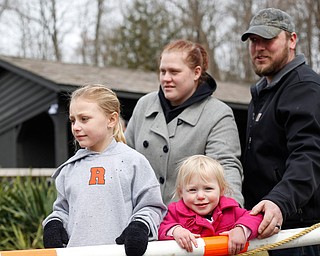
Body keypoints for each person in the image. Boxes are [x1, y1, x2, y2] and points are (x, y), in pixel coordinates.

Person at [42, 84, 167, 256]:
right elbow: (63, 210)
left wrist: (140, 226)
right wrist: (54, 223)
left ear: (111, 120)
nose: (76, 126)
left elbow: (152, 207)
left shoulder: (134, 162)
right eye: (73, 120)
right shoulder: (69, 168)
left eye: (84, 119)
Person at [125, 39, 244, 206]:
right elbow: (123, 159)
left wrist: (231, 213)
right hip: (140, 217)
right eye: (163, 71)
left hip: (188, 225)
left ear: (196, 73)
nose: (166, 78)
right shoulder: (144, 105)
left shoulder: (218, 114)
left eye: (174, 72)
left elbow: (225, 169)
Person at [241, 7, 320, 255]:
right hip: (264, 225)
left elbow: (309, 155)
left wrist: (279, 201)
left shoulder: (304, 87)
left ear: (292, 40)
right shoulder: (264, 90)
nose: (259, 48)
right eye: (254, 41)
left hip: (298, 232)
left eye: (268, 39)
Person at [158, 155, 263, 255]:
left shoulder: (230, 209)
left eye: (208, 189)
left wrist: (241, 229)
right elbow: (160, 228)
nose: (200, 196)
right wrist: (175, 230)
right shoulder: (174, 212)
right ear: (181, 192)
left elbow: (256, 217)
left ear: (221, 190)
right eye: (192, 190)